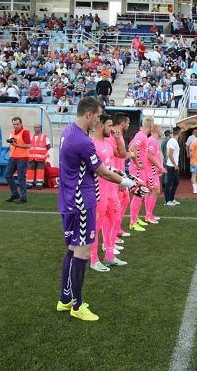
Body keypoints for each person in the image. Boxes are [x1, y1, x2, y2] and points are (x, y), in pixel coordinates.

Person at [56, 97, 146, 321]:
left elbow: (103, 166)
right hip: (81, 202)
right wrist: (129, 183)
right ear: (88, 114)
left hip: (68, 200)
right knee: (82, 253)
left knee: (71, 248)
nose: (99, 120)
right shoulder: (83, 142)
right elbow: (103, 171)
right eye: (97, 116)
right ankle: (77, 305)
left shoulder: (68, 131)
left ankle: (65, 299)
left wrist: (127, 178)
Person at [90, 114, 127, 272]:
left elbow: (123, 154)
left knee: (115, 219)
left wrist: (118, 139)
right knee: (96, 227)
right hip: (98, 192)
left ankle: (110, 256)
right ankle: (93, 260)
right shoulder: (91, 144)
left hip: (111, 190)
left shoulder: (107, 142)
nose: (112, 129)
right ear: (100, 126)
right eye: (110, 126)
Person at [106, 113, 132, 240]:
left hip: (120, 175)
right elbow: (116, 158)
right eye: (127, 123)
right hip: (114, 177)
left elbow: (121, 155)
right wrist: (119, 180)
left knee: (124, 201)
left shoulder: (118, 136)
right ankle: (111, 236)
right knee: (112, 209)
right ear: (122, 123)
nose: (128, 125)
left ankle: (117, 230)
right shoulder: (112, 137)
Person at [128, 118, 154, 231]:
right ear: (150, 127)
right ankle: (133, 222)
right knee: (138, 195)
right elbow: (131, 147)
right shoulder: (141, 136)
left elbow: (132, 146)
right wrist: (137, 162)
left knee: (141, 194)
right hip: (137, 170)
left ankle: (135, 218)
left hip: (140, 169)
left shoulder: (142, 136)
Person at [4, 117, 31, 203]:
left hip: (22, 158)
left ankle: (23, 198)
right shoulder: (12, 132)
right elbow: (13, 142)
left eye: (17, 124)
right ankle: (15, 194)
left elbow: (28, 145)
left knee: (21, 178)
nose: (15, 126)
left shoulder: (25, 132)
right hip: (13, 157)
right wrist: (11, 142)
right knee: (7, 175)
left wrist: (16, 145)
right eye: (14, 124)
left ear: (21, 124)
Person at [145, 124, 166, 221]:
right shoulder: (152, 141)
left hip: (153, 170)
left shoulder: (153, 141)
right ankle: (148, 215)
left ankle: (149, 214)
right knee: (154, 191)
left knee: (151, 191)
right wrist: (159, 166)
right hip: (151, 170)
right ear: (157, 130)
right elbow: (149, 155)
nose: (162, 131)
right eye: (161, 129)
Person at [26, 124, 51, 190]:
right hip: (31, 157)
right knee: (30, 170)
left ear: (40, 128)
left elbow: (48, 146)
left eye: (38, 127)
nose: (37, 128)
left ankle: (39, 184)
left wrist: (42, 152)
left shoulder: (44, 136)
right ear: (34, 128)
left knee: (40, 171)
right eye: (35, 127)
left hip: (41, 157)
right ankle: (29, 184)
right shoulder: (30, 136)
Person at [164, 127, 181, 206]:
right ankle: (167, 201)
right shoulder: (172, 141)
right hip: (172, 166)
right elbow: (170, 154)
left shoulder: (173, 141)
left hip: (173, 165)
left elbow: (169, 154)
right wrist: (174, 164)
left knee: (176, 182)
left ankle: (171, 199)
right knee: (169, 183)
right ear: (179, 133)